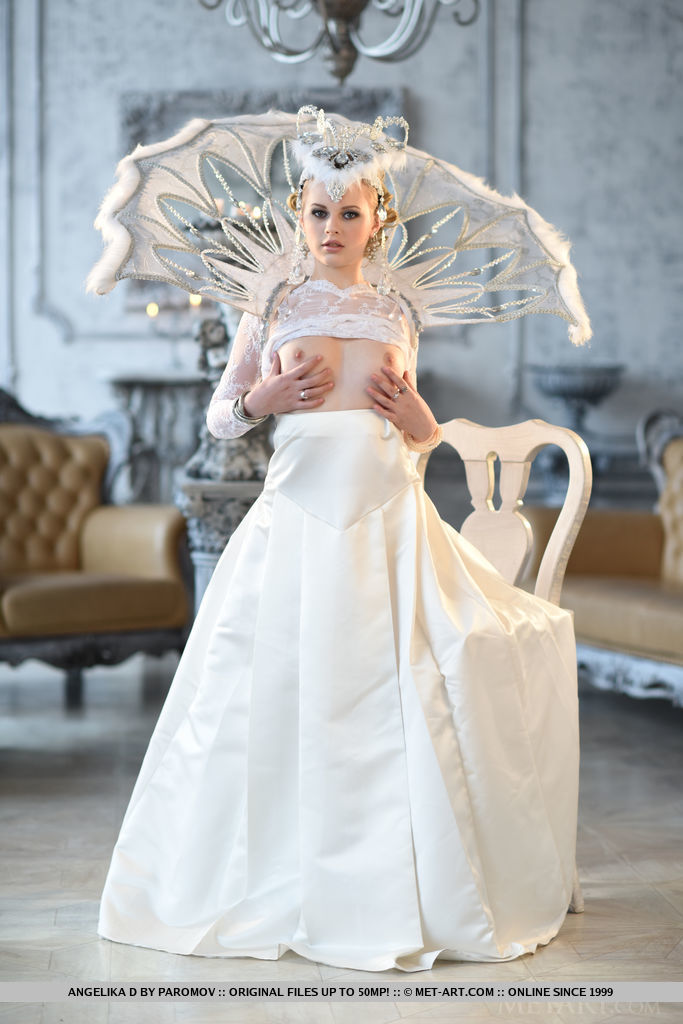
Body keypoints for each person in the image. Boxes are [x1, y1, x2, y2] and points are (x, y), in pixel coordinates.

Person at [97, 112, 580, 973]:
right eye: (317, 212)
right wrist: (263, 401)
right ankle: (272, 875)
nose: (330, 228)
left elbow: (417, 439)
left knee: (412, 684)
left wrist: (420, 418)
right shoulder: (273, 304)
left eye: (348, 213)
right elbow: (221, 417)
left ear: (376, 220)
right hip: (295, 518)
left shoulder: (396, 309)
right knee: (267, 691)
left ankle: (398, 881)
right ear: (299, 214)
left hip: (388, 520)